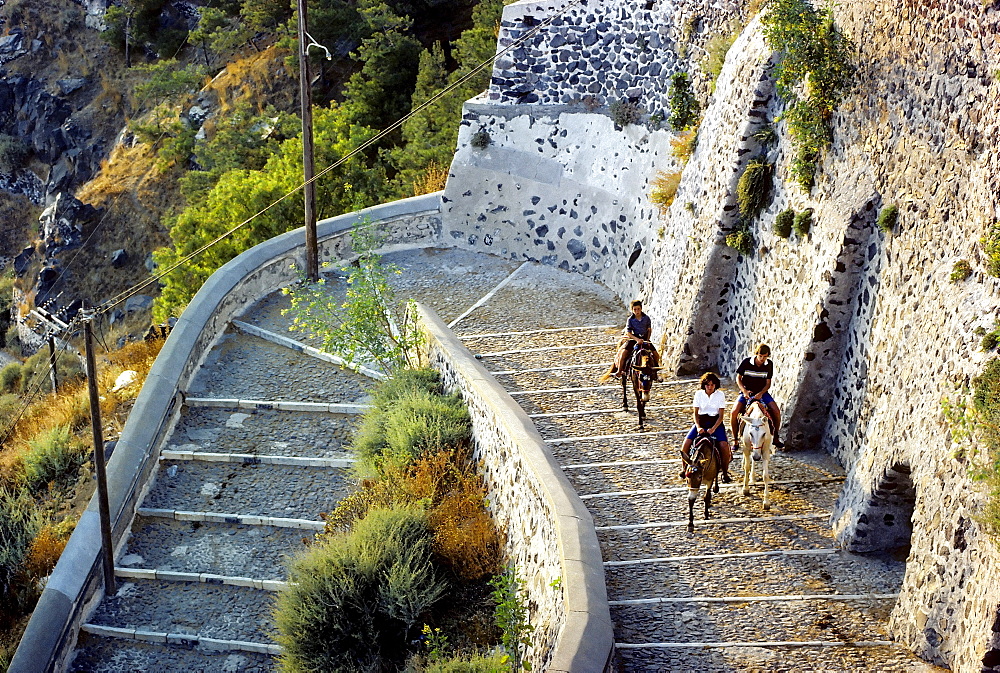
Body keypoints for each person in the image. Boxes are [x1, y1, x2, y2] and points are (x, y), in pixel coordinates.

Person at [679, 372, 732, 482]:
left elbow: (721, 416)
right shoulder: (699, 394)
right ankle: (684, 469)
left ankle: (725, 472)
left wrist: (713, 428)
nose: (710, 387)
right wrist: (698, 427)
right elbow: (695, 413)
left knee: (724, 446)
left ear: (715, 385)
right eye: (707, 384)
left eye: (712, 385)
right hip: (701, 421)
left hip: (715, 422)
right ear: (704, 385)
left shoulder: (720, 395)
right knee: (686, 445)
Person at [730, 343, 784, 449]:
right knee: (734, 412)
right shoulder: (746, 362)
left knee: (776, 411)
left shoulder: (769, 364)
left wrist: (761, 393)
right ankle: (735, 440)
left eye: (765, 357)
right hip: (747, 392)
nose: (762, 359)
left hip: (762, 393)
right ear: (756, 354)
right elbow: (738, 378)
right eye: (760, 356)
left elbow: (768, 383)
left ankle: (776, 437)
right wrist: (744, 391)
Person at [608, 299, 659, 378]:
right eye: (635, 309)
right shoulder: (630, 320)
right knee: (624, 353)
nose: (637, 311)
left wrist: (647, 339)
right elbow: (629, 333)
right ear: (632, 310)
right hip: (634, 339)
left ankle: (655, 371)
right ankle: (619, 371)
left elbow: (649, 330)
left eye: (638, 309)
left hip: (645, 339)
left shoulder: (646, 318)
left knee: (656, 354)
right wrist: (637, 340)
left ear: (641, 309)